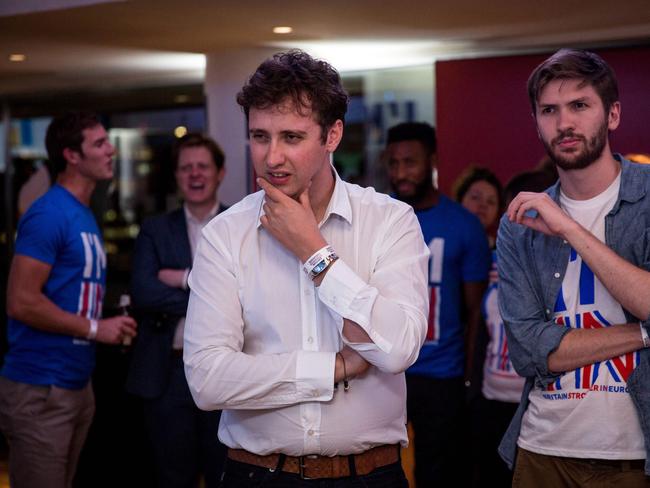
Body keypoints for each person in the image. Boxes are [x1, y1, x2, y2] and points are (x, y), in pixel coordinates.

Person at [183, 50, 430, 487]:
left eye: (292, 138)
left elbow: (396, 350)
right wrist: (334, 368)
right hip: (256, 474)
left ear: (332, 135)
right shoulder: (224, 234)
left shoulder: (390, 220)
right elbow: (207, 380)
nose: (272, 157)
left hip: (369, 475)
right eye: (260, 136)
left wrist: (314, 253)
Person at [498, 48, 650, 486]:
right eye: (549, 110)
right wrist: (642, 333)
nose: (564, 123)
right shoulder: (520, 224)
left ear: (613, 114)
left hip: (634, 456)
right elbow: (528, 351)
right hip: (542, 450)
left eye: (580, 106)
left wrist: (569, 228)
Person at [0, 111, 137, 488]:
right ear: (71, 156)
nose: (110, 149)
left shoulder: (82, 213)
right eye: (99, 143)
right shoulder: (48, 214)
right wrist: (97, 328)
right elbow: (21, 301)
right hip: (40, 388)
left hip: (75, 384)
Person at [385, 122, 491, 487]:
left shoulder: (463, 225)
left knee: (438, 472)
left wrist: (468, 378)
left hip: (441, 375)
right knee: (380, 469)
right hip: (384, 371)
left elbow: (475, 311)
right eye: (393, 163)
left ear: (432, 161)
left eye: (410, 162)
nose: (401, 173)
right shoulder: (377, 219)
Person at [126, 133, 228, 487]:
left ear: (220, 173)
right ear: (176, 176)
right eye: (186, 168)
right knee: (173, 477)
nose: (195, 175)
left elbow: (249, 297)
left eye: (202, 166)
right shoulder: (155, 229)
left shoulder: (241, 225)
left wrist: (183, 278)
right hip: (168, 372)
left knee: (225, 475)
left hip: (226, 372)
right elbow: (144, 293)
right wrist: (212, 295)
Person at [469, 169, 556, 487]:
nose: (523, 220)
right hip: (490, 400)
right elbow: (479, 330)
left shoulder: (561, 267)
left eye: (532, 211)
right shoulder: (494, 263)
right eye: (514, 211)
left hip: (534, 405)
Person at [454, 166, 504, 247]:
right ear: (460, 199)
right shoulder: (446, 241)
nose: (483, 205)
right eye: (475, 197)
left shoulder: (501, 252)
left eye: (491, 202)